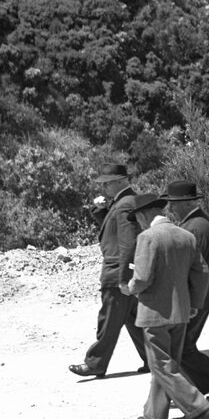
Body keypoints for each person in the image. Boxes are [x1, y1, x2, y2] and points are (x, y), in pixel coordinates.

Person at [125, 192, 209, 419]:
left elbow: (143, 278)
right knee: (168, 363)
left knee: (160, 365)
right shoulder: (185, 236)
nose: (138, 224)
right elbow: (202, 273)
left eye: (137, 219)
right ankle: (155, 414)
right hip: (182, 312)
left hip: (155, 313)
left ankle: (198, 408)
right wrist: (195, 303)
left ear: (145, 215)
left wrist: (129, 288)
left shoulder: (148, 238)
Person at [69, 162, 149, 379]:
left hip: (116, 271)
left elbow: (128, 242)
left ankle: (95, 363)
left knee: (109, 318)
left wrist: (124, 276)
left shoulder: (124, 204)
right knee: (133, 318)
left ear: (122, 181)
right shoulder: (124, 202)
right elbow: (114, 231)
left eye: (108, 184)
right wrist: (100, 212)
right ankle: (153, 358)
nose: (104, 188)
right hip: (123, 270)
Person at [164, 181, 209, 410]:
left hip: (196, 298)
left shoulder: (195, 227)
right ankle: (197, 389)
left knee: (183, 347)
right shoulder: (197, 223)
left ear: (186, 203)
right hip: (197, 296)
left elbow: (193, 269)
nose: (170, 209)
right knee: (184, 346)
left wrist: (190, 301)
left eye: (173, 204)